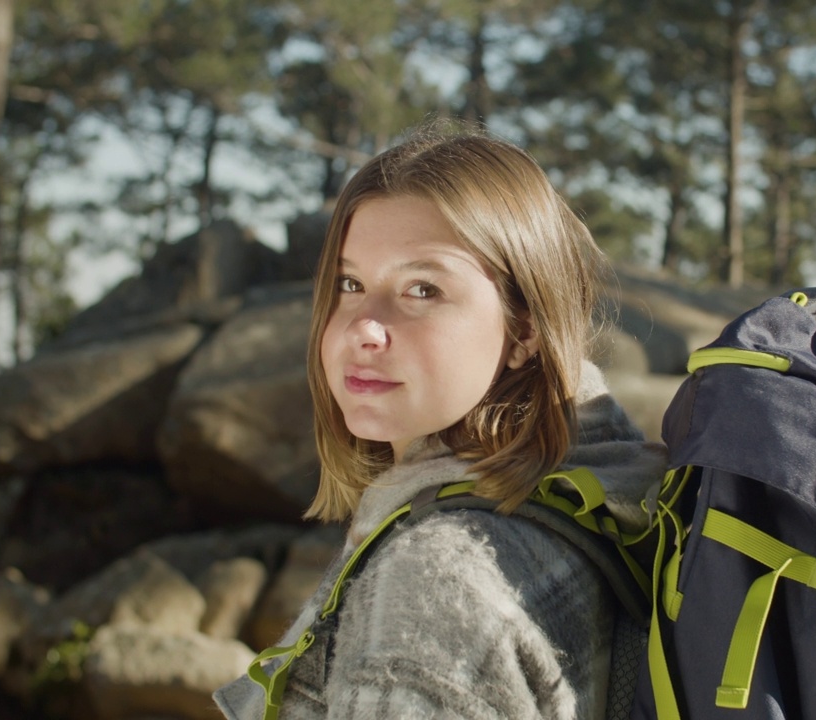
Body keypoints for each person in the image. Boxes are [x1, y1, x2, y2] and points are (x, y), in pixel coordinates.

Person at [213, 121, 666, 719]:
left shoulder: (432, 581)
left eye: (422, 289)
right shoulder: (602, 495)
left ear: (524, 329)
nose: (362, 328)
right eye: (350, 283)